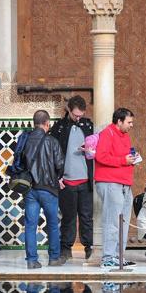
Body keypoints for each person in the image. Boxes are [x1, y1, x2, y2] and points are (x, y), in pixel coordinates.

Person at [48, 95, 94, 260]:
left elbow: (98, 148)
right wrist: (56, 177)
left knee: (86, 217)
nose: (78, 118)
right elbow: (51, 155)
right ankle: (66, 249)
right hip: (66, 182)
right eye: (75, 115)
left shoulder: (88, 125)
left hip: (86, 182)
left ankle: (89, 248)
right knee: (68, 217)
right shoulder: (59, 128)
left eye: (81, 114)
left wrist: (90, 150)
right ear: (69, 110)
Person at [94, 107, 138, 268]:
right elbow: (101, 156)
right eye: (129, 122)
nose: (131, 125)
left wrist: (132, 159)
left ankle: (119, 256)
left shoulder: (125, 136)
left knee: (123, 222)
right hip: (110, 182)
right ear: (119, 121)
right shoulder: (107, 133)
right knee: (112, 221)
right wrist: (123, 160)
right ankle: (108, 257)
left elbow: (124, 156)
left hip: (125, 183)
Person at [22, 110, 65, 269]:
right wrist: (57, 177)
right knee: (53, 224)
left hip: (30, 189)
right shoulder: (52, 141)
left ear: (34, 123)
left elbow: (19, 163)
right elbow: (60, 165)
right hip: (49, 190)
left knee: (30, 225)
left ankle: (32, 260)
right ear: (47, 124)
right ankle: (54, 258)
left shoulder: (24, 140)